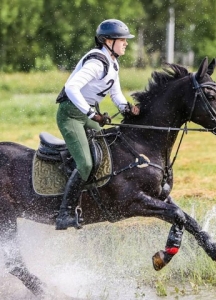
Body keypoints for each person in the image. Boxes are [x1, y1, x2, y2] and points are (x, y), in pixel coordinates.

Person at [55, 19, 139, 230]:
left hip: (87, 115)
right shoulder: (97, 62)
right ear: (107, 41)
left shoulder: (113, 62)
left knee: (107, 153)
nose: (126, 43)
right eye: (122, 40)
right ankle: (64, 213)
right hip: (71, 115)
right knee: (86, 164)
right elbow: (71, 87)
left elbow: (115, 93)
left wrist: (126, 108)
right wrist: (92, 113)